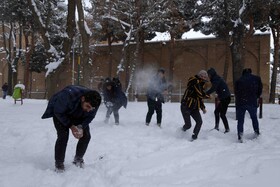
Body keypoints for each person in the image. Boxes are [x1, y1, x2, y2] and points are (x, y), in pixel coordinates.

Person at [41, 85, 101, 172]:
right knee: (63, 136)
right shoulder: (67, 95)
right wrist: (71, 126)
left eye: (91, 108)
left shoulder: (95, 101)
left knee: (86, 136)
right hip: (61, 113)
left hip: (79, 114)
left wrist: (81, 127)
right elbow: (58, 111)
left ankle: (78, 159)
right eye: (88, 106)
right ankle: (59, 164)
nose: (89, 110)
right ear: (83, 99)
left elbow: (90, 116)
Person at [234, 68, 263, 143]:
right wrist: (256, 96)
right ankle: (256, 132)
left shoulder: (239, 80)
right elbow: (260, 89)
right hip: (252, 101)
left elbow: (236, 92)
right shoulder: (256, 78)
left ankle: (240, 135)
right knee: (254, 118)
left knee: (240, 120)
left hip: (241, 102)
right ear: (250, 72)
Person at [181, 70, 210, 140]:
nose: (203, 78)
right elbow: (200, 94)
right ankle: (181, 132)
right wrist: (207, 96)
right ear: (199, 76)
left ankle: (194, 136)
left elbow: (199, 98)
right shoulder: (194, 81)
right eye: (202, 76)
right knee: (188, 125)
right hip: (186, 106)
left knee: (199, 122)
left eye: (205, 77)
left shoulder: (200, 84)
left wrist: (203, 107)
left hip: (194, 107)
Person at [206, 68, 231, 133]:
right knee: (216, 112)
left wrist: (206, 93)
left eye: (208, 74)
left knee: (222, 114)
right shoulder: (215, 78)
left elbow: (214, 88)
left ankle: (227, 129)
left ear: (211, 74)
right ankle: (216, 127)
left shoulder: (216, 79)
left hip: (225, 98)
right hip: (224, 98)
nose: (208, 76)